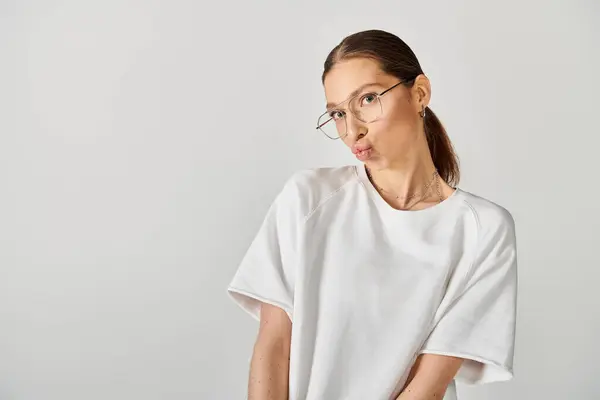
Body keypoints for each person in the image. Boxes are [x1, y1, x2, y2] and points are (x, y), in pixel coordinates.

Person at [226, 29, 518, 400]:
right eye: (337, 113)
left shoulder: (482, 230)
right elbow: (274, 344)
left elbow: (428, 386)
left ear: (419, 93)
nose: (352, 130)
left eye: (367, 99)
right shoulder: (308, 199)